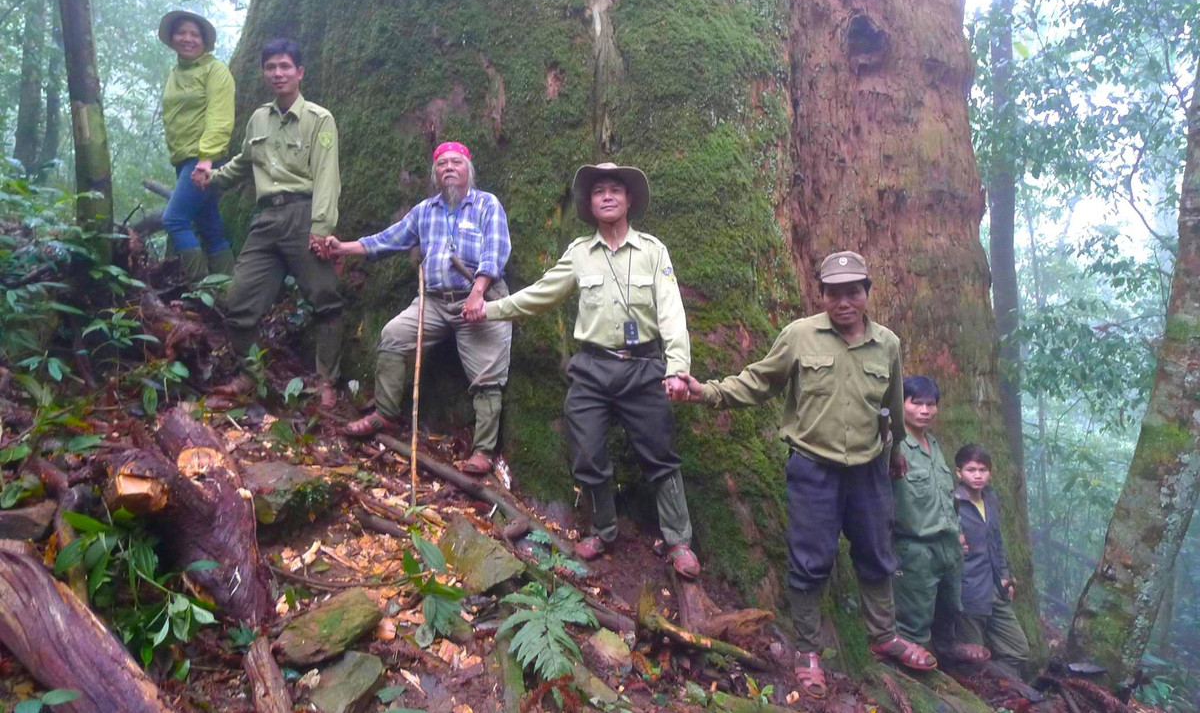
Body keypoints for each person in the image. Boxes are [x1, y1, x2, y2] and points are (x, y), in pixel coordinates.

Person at [668, 251, 934, 698]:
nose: (844, 301)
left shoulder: (887, 343)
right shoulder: (800, 336)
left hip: (869, 469)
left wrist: (896, 451)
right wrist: (707, 392)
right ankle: (809, 650)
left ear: (867, 293)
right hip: (813, 468)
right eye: (834, 292)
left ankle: (884, 635)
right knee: (810, 561)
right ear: (822, 294)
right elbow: (758, 381)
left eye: (853, 291)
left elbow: (892, 401)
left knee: (876, 553)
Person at [467, 162, 700, 578]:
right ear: (590, 204)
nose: (607, 196)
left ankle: (679, 540)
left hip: (644, 366)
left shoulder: (652, 251)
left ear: (628, 199)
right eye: (598, 192)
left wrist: (677, 367)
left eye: (615, 189)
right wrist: (490, 310)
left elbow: (672, 312)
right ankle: (604, 531)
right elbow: (539, 296)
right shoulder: (579, 253)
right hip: (591, 367)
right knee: (587, 452)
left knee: (660, 455)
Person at [327, 142, 512, 478]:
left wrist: (478, 292)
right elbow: (388, 239)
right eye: (442, 164)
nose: (450, 168)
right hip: (434, 301)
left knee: (487, 376)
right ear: (435, 174)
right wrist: (344, 247)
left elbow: (496, 253)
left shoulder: (487, 204)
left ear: (469, 168)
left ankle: (483, 450)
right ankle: (384, 413)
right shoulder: (426, 210)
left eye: (457, 162)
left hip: (480, 299)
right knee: (394, 335)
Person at [194, 39, 342, 408]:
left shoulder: (319, 119)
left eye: (285, 66)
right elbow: (245, 161)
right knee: (240, 302)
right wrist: (213, 179)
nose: (278, 73)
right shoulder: (259, 118)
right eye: (271, 67)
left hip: (302, 214)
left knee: (325, 299)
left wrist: (321, 228)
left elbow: (327, 176)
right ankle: (250, 375)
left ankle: (327, 381)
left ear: (300, 72)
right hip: (265, 219)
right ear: (263, 73)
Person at [891, 376, 988, 664]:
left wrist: (955, 531)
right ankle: (909, 668)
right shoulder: (895, 447)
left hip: (947, 544)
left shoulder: (932, 443)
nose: (924, 410)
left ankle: (946, 652)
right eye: (916, 403)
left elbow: (945, 494)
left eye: (931, 404)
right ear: (902, 404)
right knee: (914, 614)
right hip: (915, 545)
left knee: (950, 608)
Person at [157, 10, 236, 283]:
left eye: (194, 34)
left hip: (203, 159)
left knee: (175, 220)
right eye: (181, 32)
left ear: (204, 41)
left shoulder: (215, 70)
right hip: (183, 160)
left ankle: (199, 288)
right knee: (209, 226)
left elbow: (220, 116)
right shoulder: (175, 73)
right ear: (172, 37)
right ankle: (226, 288)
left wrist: (206, 161)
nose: (187, 39)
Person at [955, 444, 1031, 676]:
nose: (977, 475)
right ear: (959, 472)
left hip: (995, 588)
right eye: (971, 470)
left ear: (990, 472)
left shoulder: (990, 499)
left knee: (1018, 650)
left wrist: (1005, 577)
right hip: (967, 590)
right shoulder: (953, 502)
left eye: (983, 470)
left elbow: (997, 542)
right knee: (972, 657)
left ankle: (999, 682)